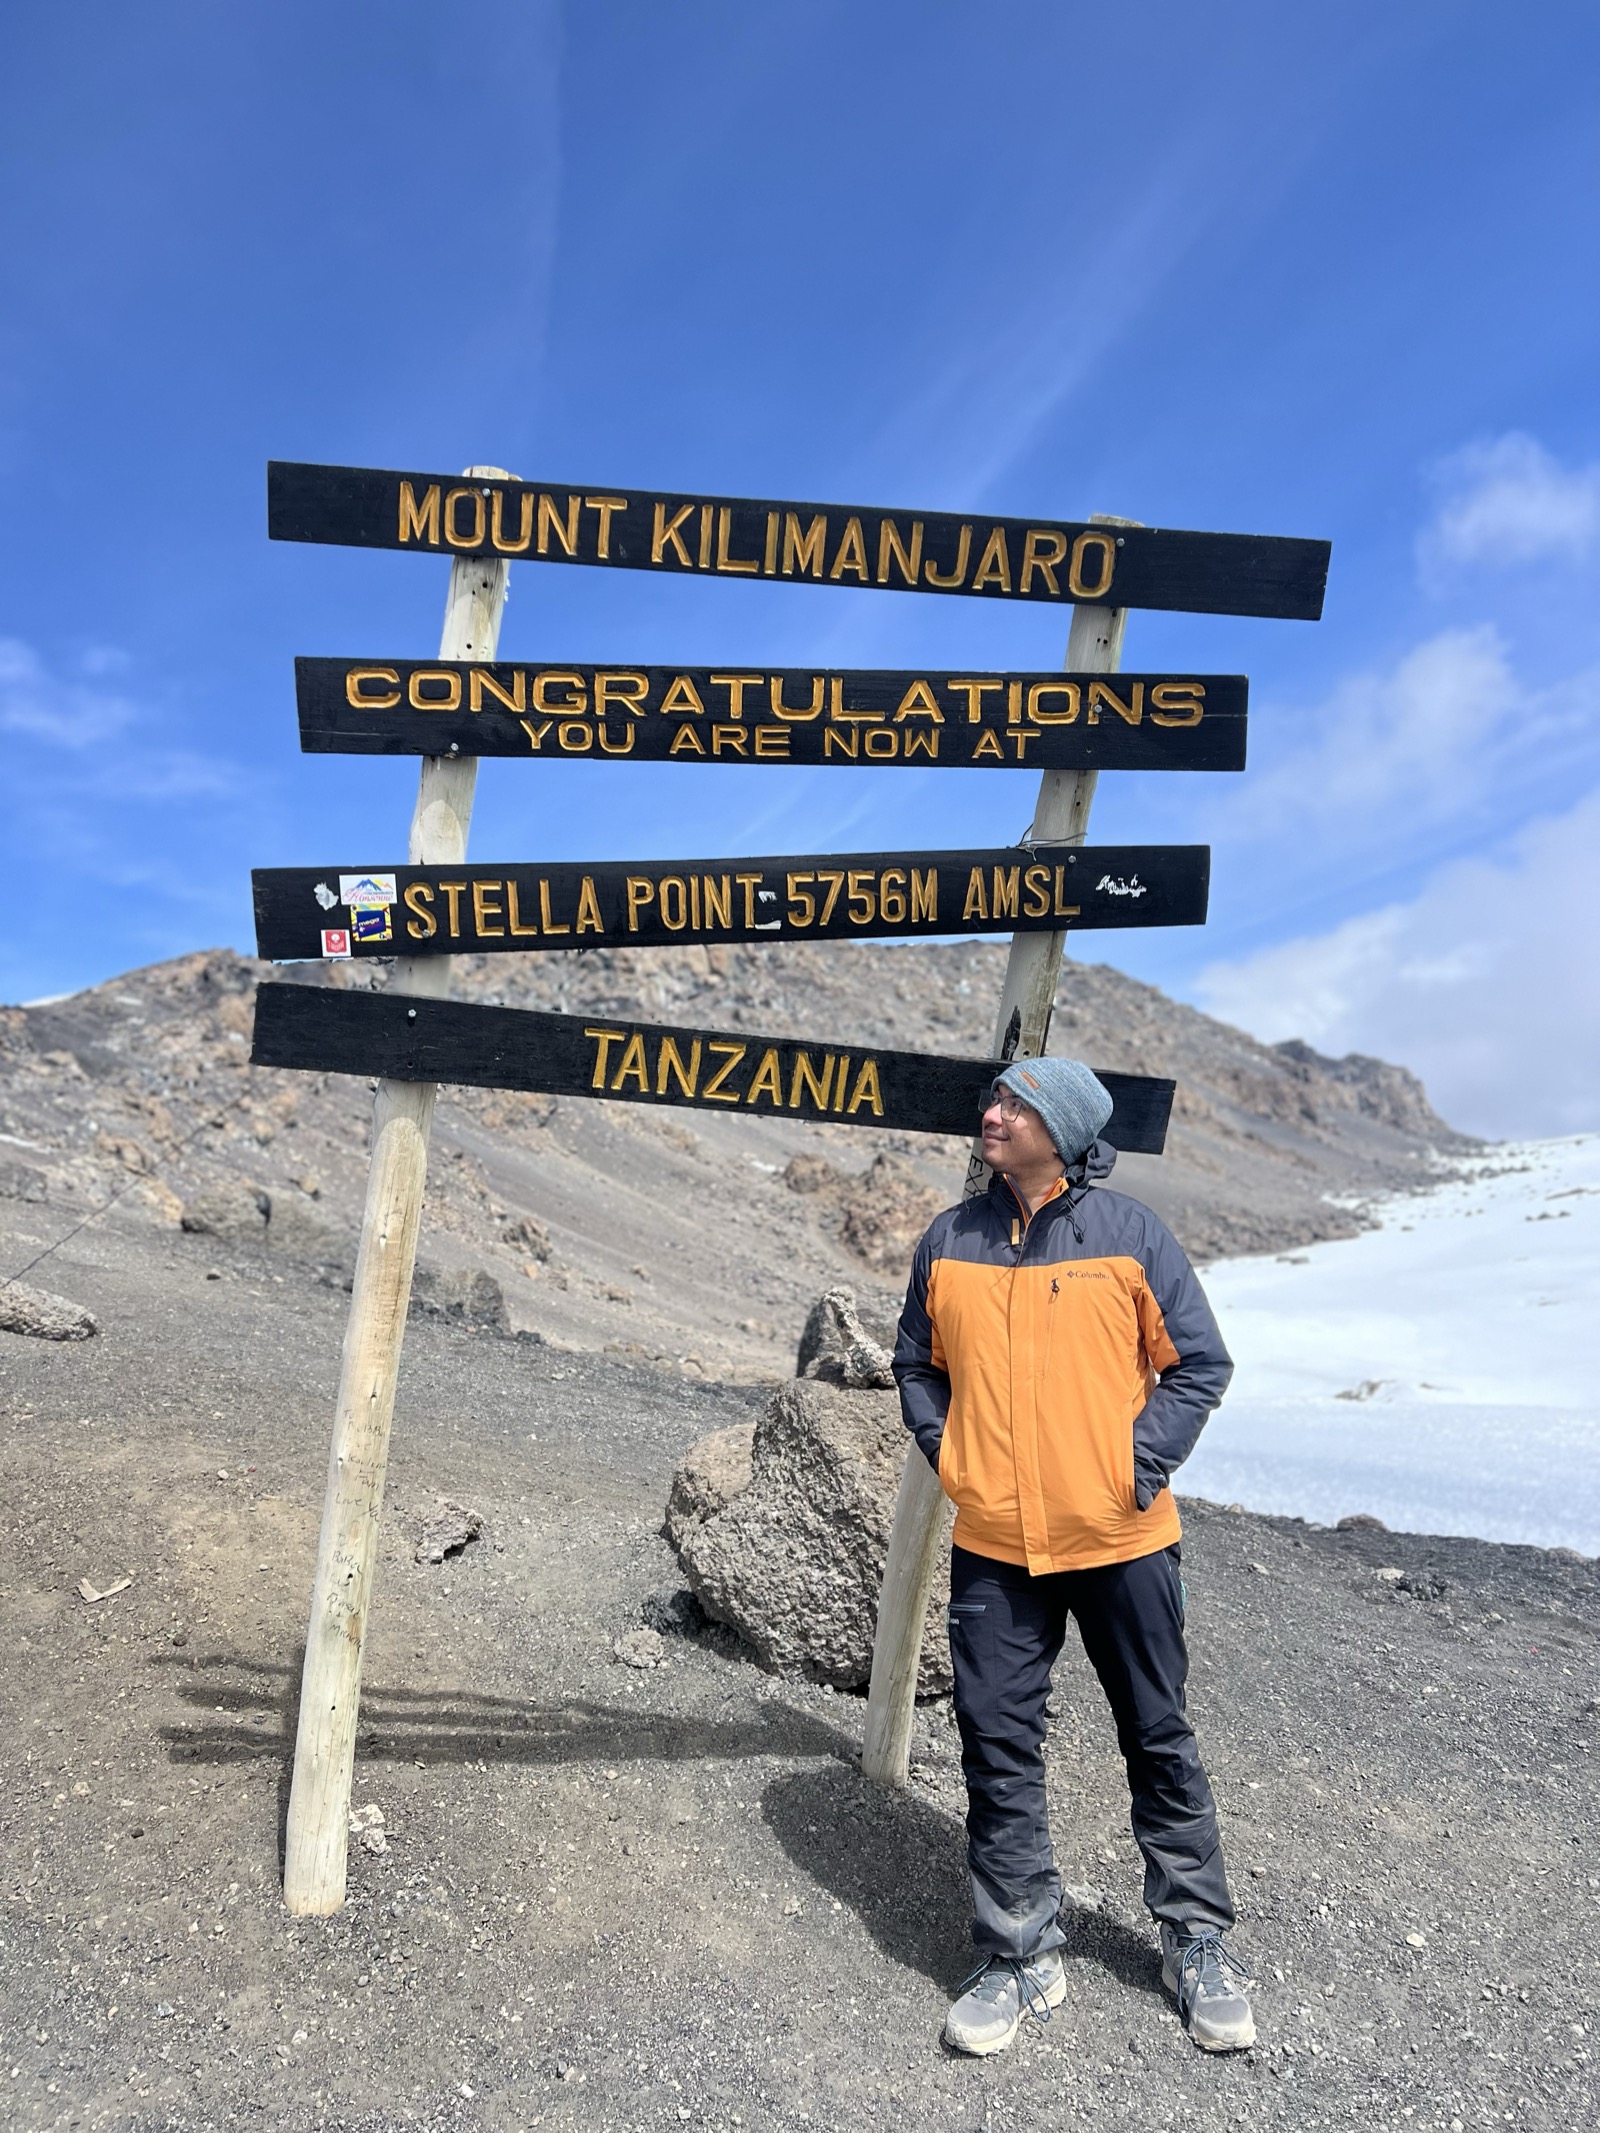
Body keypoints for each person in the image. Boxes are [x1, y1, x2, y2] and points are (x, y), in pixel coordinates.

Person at [892, 1055, 1254, 2058]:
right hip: (996, 1548)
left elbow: (1198, 1366)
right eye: (995, 1098)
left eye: (1015, 1104)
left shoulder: (1133, 1236)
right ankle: (1015, 1953)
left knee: (1157, 1735)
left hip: (1123, 1540)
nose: (992, 1113)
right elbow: (915, 1365)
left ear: (1065, 1129)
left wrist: (1130, 1468)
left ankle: (1193, 1940)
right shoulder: (948, 1238)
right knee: (996, 1747)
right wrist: (952, 1457)